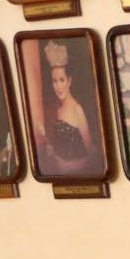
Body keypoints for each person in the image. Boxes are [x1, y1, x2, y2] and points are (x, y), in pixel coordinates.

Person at [34, 41, 96, 176]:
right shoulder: (57, 109)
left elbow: (90, 151)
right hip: (61, 173)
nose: (58, 86)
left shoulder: (77, 109)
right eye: (54, 81)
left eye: (62, 80)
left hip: (79, 174)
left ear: (69, 81)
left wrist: (72, 166)